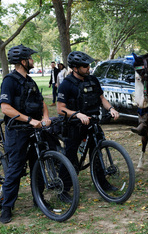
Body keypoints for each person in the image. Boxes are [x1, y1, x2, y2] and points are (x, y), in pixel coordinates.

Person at [57, 51, 119, 199]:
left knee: (97, 153)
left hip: (93, 123)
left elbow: (101, 98)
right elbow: (60, 109)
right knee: (70, 156)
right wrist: (77, 114)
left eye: (88, 65)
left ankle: (102, 183)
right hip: (74, 126)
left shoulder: (92, 80)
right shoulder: (66, 84)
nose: (88, 68)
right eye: (85, 66)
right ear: (75, 68)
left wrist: (111, 109)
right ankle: (63, 189)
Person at [0, 44, 51, 224]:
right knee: (15, 169)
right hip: (17, 132)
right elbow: (5, 108)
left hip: (34, 131)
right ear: (23, 61)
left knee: (37, 165)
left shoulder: (30, 80)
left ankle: (39, 198)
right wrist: (29, 120)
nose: (33, 60)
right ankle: (6, 207)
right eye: (30, 58)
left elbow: (41, 101)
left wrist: (45, 116)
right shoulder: (9, 81)